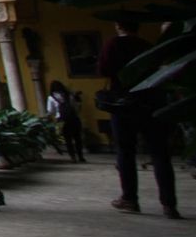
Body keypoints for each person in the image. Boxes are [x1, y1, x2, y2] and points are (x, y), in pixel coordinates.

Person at [99, 21, 179, 218]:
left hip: (124, 104)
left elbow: (104, 69)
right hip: (151, 102)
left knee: (125, 152)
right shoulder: (147, 45)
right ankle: (169, 204)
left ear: (118, 26)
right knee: (160, 154)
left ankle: (130, 199)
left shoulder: (113, 44)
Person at [46, 81, 85, 162]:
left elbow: (50, 111)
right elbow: (76, 106)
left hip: (61, 120)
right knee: (77, 138)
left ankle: (72, 157)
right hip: (74, 118)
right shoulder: (69, 95)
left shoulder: (51, 98)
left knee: (68, 139)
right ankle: (80, 156)